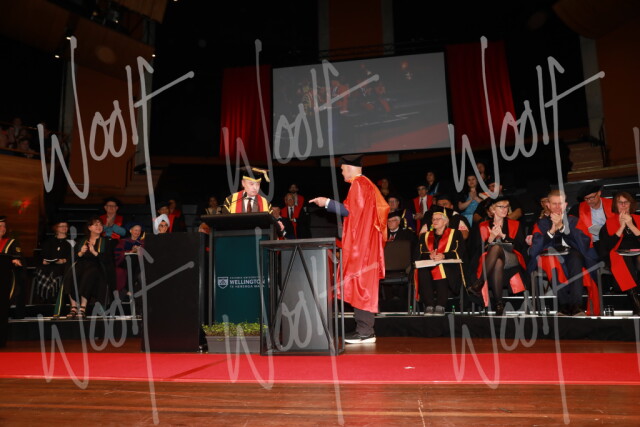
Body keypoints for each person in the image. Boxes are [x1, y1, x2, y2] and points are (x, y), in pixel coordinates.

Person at [310, 154, 389, 344]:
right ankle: (365, 330)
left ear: (350, 168)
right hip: (365, 243)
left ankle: (365, 331)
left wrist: (326, 202)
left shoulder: (359, 184)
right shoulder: (367, 185)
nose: (342, 172)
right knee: (362, 284)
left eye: (342, 169)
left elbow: (349, 211)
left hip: (362, 246)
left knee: (361, 284)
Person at [528, 190, 600, 316]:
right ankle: (564, 305)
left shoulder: (573, 220)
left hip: (572, 253)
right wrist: (551, 232)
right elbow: (535, 248)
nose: (557, 207)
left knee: (576, 259)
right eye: (554, 204)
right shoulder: (542, 223)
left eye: (560, 203)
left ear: (565, 205)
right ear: (548, 205)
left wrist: (562, 227)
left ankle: (576, 305)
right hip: (551, 256)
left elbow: (583, 242)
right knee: (551, 261)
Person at [467, 197, 528, 315]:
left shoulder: (515, 224)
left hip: (512, 258)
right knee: (498, 263)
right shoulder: (482, 226)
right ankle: (499, 304)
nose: (505, 209)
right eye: (501, 207)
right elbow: (476, 250)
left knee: (496, 247)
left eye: (507, 207)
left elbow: (520, 246)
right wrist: (490, 239)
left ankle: (479, 283)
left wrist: (503, 236)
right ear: (492, 209)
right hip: (490, 262)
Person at [62, 216, 114, 318]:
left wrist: (94, 252)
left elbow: (108, 259)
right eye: (96, 225)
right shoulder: (81, 241)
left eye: (100, 224)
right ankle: (73, 307)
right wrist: (81, 252)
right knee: (71, 274)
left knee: (88, 274)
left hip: (97, 265)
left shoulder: (106, 241)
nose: (99, 226)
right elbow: (73, 257)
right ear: (89, 227)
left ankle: (83, 307)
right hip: (81, 264)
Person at [598, 191, 640, 315]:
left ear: (631, 204)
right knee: (623, 260)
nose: (623, 205)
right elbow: (606, 246)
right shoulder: (609, 222)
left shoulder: (638, 219)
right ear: (615, 205)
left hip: (638, 254)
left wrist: (631, 225)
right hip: (619, 254)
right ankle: (636, 303)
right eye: (620, 202)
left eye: (626, 202)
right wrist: (621, 227)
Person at [416, 209, 465, 315]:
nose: (434, 221)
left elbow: (460, 251)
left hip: (449, 266)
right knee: (422, 270)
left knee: (441, 267)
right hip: (429, 264)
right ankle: (429, 305)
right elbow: (419, 253)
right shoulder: (425, 236)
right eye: (433, 219)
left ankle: (440, 305)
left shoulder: (455, 234)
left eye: (438, 219)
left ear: (445, 221)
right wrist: (429, 255)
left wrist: (444, 256)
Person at [570, 183, 613, 261]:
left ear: (599, 193)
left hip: (611, 240)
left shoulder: (613, 205)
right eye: (586, 198)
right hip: (590, 243)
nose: (589, 201)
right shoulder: (577, 209)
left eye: (592, 197)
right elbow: (572, 227)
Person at [34, 219, 72, 302]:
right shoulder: (49, 242)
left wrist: (64, 260)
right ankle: (44, 296)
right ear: (56, 228)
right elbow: (43, 255)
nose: (64, 228)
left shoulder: (71, 242)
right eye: (62, 226)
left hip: (63, 266)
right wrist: (44, 261)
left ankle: (55, 297)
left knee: (58, 270)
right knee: (42, 269)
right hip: (50, 264)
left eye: (66, 226)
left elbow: (73, 256)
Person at [0, 216, 26, 319]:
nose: (3, 228)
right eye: (0, 226)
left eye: (4, 226)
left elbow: (17, 257)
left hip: (6, 274)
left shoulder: (11, 242)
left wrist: (15, 261)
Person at [113, 222, 145, 299]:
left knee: (135, 260)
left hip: (137, 263)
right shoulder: (123, 241)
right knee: (132, 258)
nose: (137, 232)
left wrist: (139, 251)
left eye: (139, 230)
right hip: (124, 261)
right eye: (135, 230)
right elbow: (117, 254)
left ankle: (127, 289)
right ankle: (128, 288)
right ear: (131, 231)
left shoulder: (142, 243)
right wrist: (130, 251)